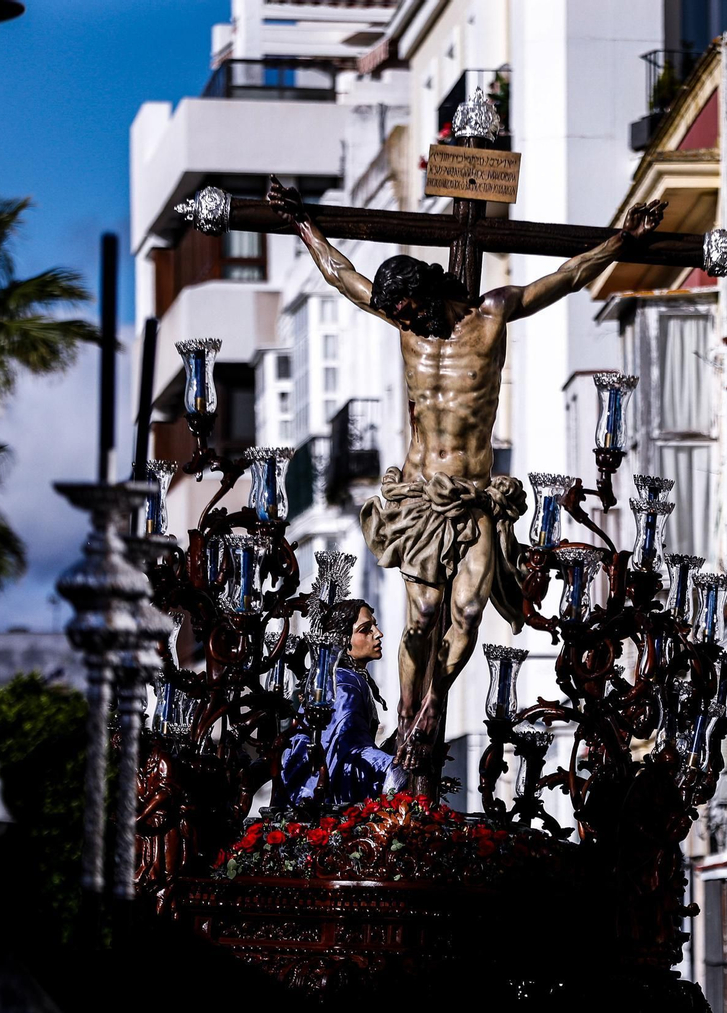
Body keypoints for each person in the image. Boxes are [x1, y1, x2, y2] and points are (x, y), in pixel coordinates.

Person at [267, 175, 665, 794]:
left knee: (469, 615)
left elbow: (565, 277)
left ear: (427, 292)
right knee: (422, 616)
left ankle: (429, 710)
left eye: (408, 310)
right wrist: (301, 223)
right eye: (394, 314)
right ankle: (408, 716)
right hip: (423, 498)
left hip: (476, 497)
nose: (404, 321)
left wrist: (620, 241)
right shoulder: (405, 327)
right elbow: (341, 274)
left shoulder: (491, 316)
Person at [280, 599, 394, 806]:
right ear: (343, 640)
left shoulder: (350, 679)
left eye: (374, 626)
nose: (378, 633)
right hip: (331, 799)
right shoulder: (344, 684)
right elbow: (347, 750)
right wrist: (394, 768)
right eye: (365, 629)